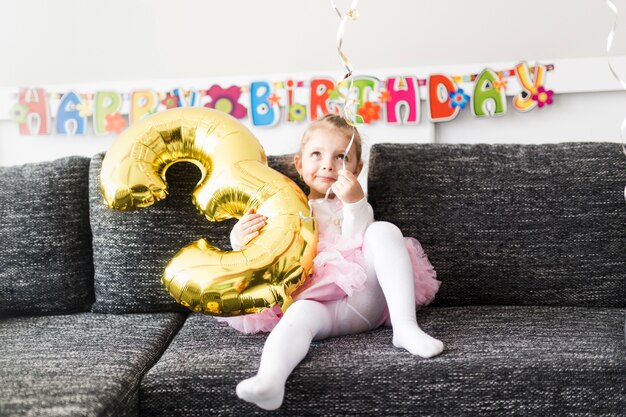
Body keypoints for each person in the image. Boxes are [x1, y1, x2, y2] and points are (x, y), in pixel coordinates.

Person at [220, 114, 443, 410]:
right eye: (317, 154)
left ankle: (405, 328)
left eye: (341, 157)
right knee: (296, 318)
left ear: (357, 168)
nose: (328, 164)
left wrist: (355, 203)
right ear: (299, 164)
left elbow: (357, 240)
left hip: (363, 299)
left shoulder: (351, 204)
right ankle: (270, 380)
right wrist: (240, 239)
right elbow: (265, 253)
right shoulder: (281, 208)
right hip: (315, 305)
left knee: (383, 231)